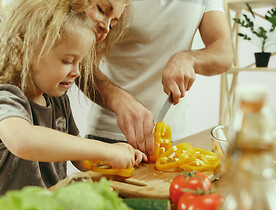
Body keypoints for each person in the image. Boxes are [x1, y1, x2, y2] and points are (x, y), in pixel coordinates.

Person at [0, 0, 146, 210]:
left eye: (80, 62)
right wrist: (103, 149)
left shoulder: (58, 100)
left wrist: (114, 158)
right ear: (27, 52)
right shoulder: (3, 97)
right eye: (68, 60)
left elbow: (78, 157)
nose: (77, 72)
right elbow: (23, 140)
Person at [86, 0, 234, 156]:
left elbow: (224, 53)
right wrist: (117, 100)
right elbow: (81, 62)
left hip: (173, 138)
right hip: (110, 136)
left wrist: (190, 59)